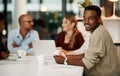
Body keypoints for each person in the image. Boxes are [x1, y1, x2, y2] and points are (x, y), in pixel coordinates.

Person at [54, 5, 120, 76]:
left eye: (91, 19)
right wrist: (65, 57)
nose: (86, 22)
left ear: (99, 19)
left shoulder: (98, 34)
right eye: (84, 18)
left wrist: (64, 60)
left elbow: (87, 62)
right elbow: (85, 55)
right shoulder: (97, 31)